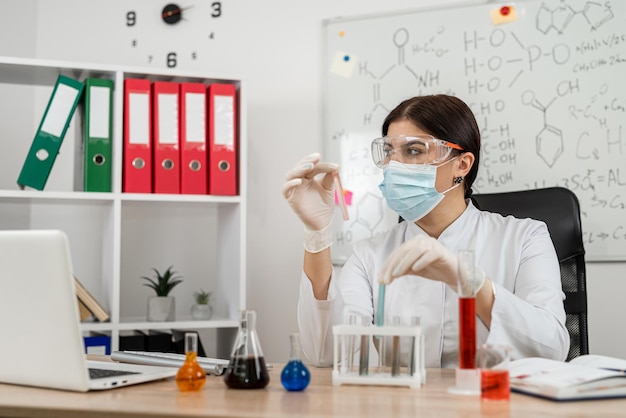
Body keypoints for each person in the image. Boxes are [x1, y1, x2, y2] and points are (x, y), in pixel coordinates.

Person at [282, 94, 569, 368]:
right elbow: (326, 354)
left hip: (493, 404)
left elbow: (551, 348)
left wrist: (471, 282)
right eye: (389, 152)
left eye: (414, 151)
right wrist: (317, 234)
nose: (394, 165)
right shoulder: (370, 253)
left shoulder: (525, 238)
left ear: (462, 164)